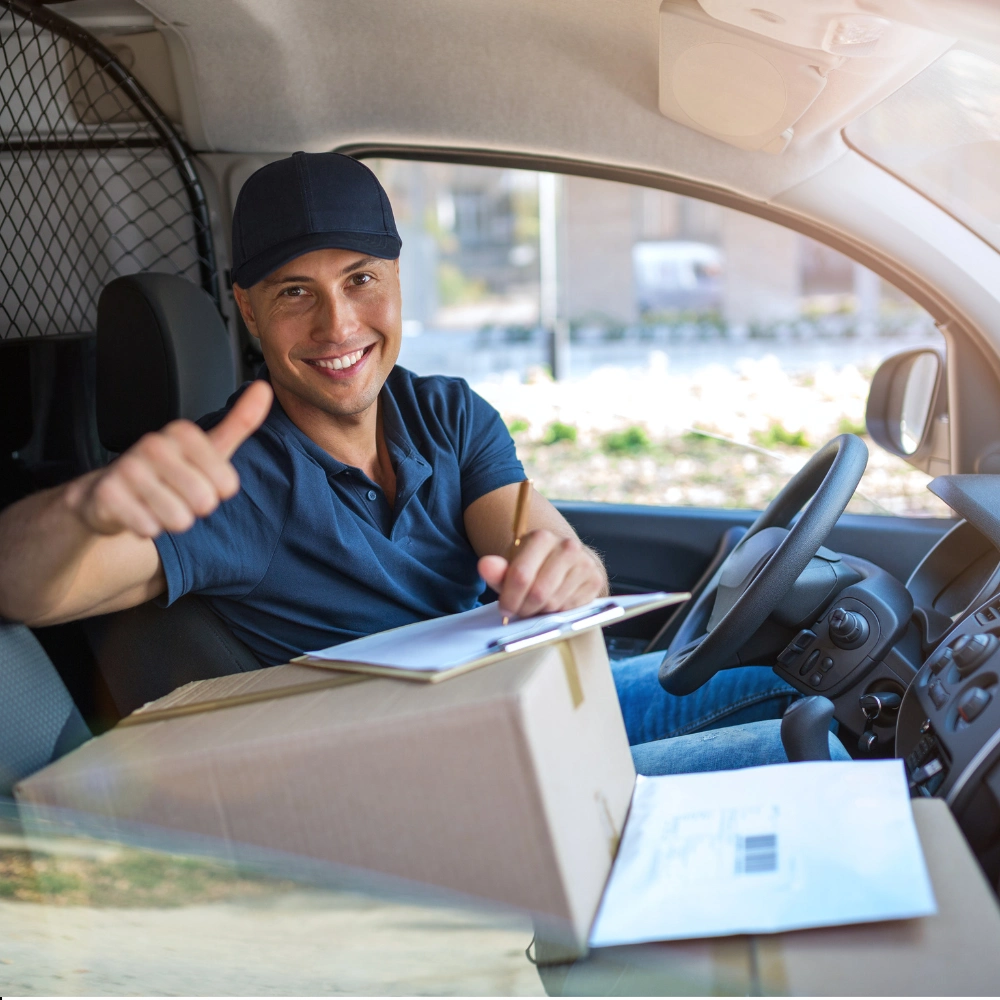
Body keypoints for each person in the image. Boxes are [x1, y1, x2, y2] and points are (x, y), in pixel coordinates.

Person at [0, 152, 847, 771]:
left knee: (811, 693)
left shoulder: (444, 412)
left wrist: (569, 571)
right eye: (296, 292)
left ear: (398, 280)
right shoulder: (232, 480)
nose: (338, 326)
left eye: (360, 278)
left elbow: (531, 537)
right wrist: (85, 511)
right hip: (430, 777)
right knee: (808, 756)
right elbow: (19, 586)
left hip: (524, 703)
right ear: (249, 313)